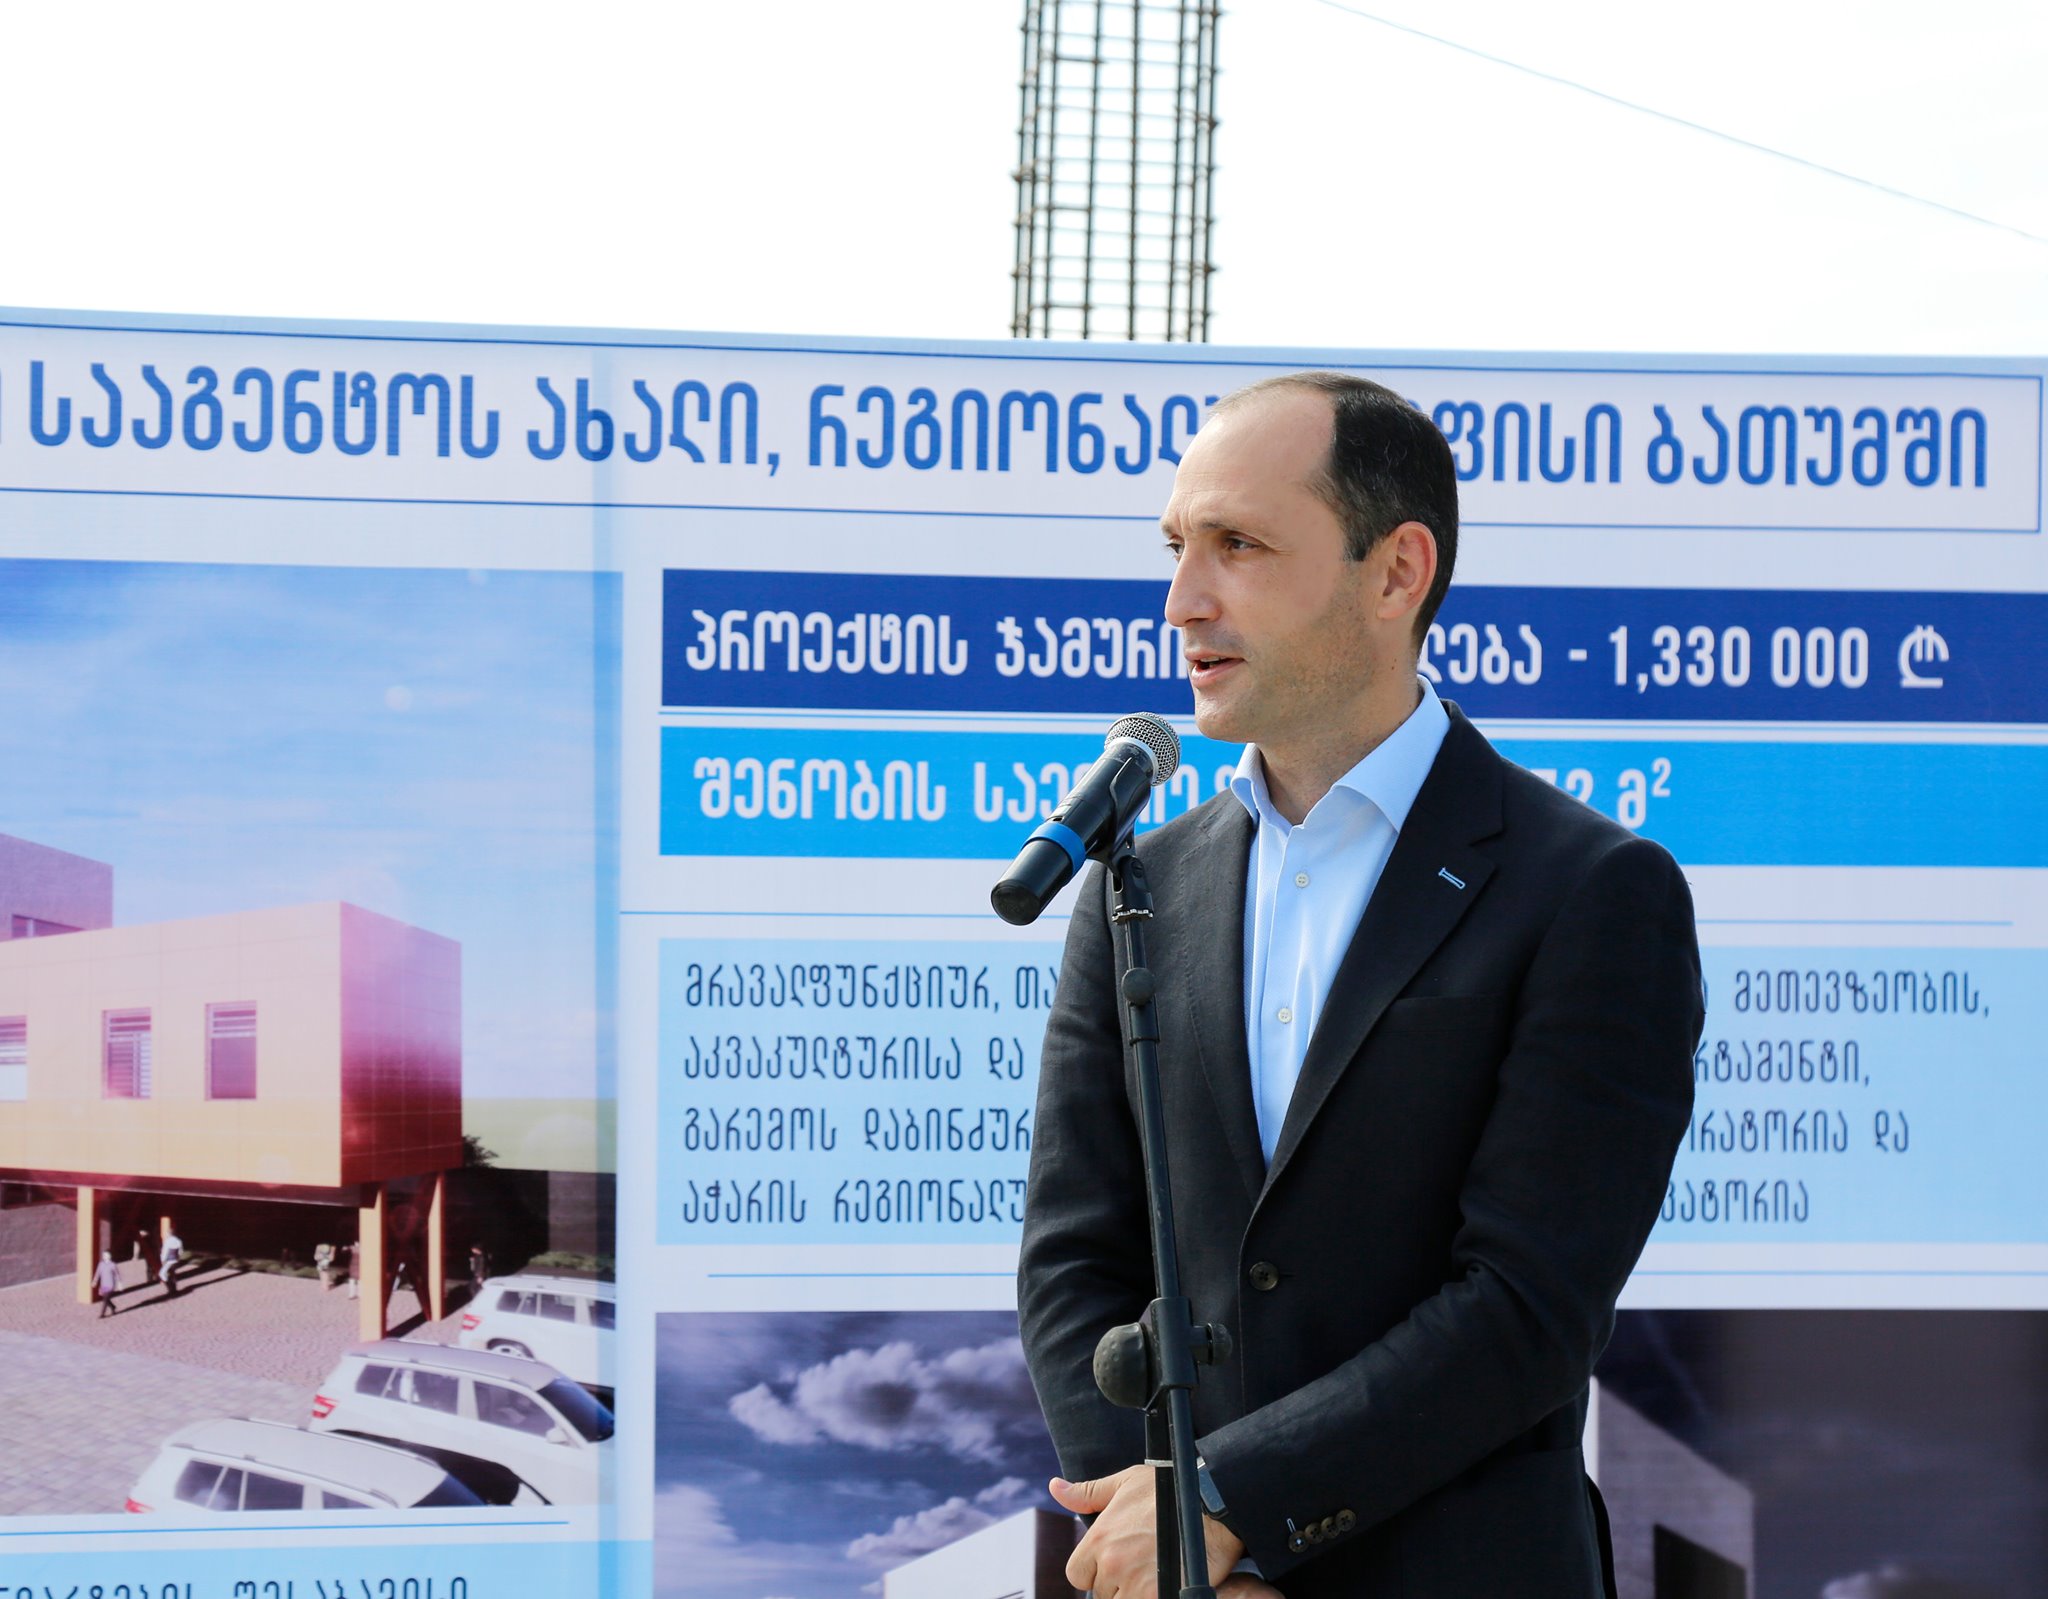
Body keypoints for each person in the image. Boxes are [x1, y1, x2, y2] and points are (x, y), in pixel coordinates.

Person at [1017, 373, 1703, 1599]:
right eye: (1176, 548)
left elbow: (1526, 1308)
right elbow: (1074, 1263)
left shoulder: (1589, 890)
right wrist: (1180, 1552)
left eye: (1237, 545)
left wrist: (1227, 1505)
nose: (1182, 601)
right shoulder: (1138, 887)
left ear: (1395, 573)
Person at [92, 1250, 121, 1317]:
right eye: (104, 1255)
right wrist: (94, 1281)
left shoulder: (113, 1265)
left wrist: (119, 1283)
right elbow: (97, 1273)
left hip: (110, 1284)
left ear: (110, 1256)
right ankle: (113, 1307)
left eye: (107, 1255)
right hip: (103, 1284)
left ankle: (102, 1314)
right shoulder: (101, 1264)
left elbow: (117, 1275)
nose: (105, 1256)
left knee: (105, 1299)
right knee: (105, 1298)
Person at [158, 1226, 184, 1297]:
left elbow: (164, 1252)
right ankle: (174, 1288)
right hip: (176, 1260)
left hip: (169, 1261)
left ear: (169, 1234)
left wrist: (162, 1260)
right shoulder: (179, 1241)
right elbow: (181, 1252)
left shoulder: (167, 1241)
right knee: (172, 1274)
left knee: (162, 1274)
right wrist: (178, 1258)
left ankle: (170, 1288)